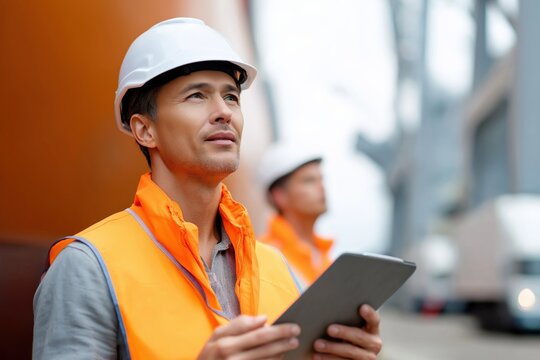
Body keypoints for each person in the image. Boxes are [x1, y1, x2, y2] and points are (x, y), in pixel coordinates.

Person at [33, 18, 382, 359]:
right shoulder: (88, 267)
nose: (223, 112)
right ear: (144, 130)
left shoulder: (279, 269)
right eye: (197, 96)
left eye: (231, 97)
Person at [258, 142, 333, 287]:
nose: (322, 187)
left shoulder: (326, 258)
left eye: (321, 179)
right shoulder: (262, 257)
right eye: (309, 181)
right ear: (279, 196)